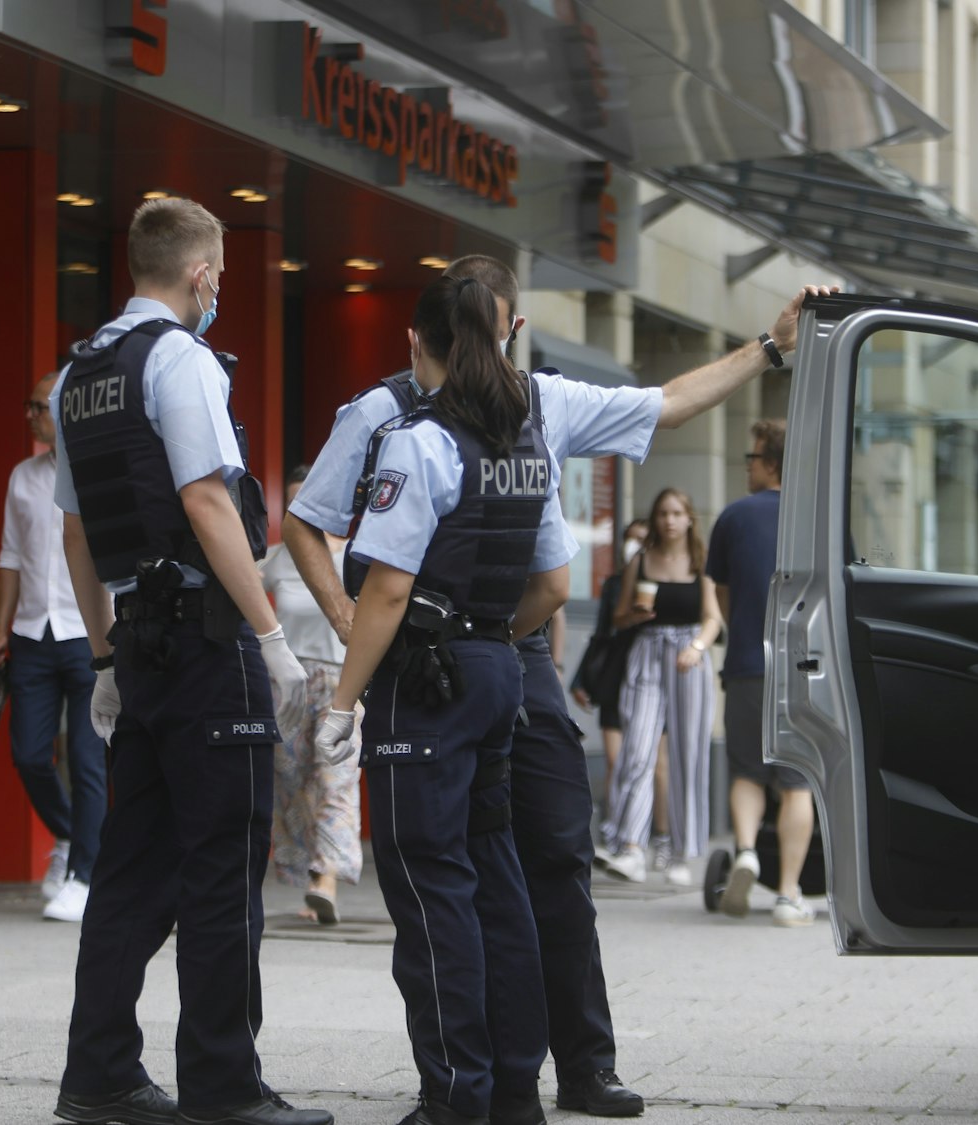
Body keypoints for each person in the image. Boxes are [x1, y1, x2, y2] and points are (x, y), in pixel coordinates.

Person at [286, 254, 838, 1115]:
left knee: (536, 862)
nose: (504, 343)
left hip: (496, 662)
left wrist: (768, 348)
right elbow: (312, 524)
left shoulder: (528, 406)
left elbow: (668, 405)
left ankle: (558, 1068)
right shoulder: (384, 414)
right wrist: (358, 626)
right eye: (496, 325)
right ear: (483, 327)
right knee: (484, 873)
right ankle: (506, 1085)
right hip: (472, 661)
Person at [47, 197, 330, 1125]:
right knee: (222, 864)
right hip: (209, 644)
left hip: (139, 641)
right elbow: (209, 501)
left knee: (131, 867)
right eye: (221, 276)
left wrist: (101, 658)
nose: (220, 290)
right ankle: (223, 1084)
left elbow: (79, 534)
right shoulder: (180, 359)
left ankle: (99, 1073)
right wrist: (272, 638)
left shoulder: (75, 376)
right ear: (201, 273)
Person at [313, 275, 560, 1125]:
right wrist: (486, 634)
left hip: (427, 683)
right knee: (496, 878)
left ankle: (455, 1093)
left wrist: (343, 701)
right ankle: (515, 1089)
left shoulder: (422, 440)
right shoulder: (529, 437)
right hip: (498, 667)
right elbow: (554, 583)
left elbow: (385, 590)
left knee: (428, 889)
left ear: (422, 343)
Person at [0, 372, 108, 923]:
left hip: (87, 634)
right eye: (28, 405)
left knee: (88, 760)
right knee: (29, 754)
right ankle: (66, 834)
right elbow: (11, 557)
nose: (30, 415)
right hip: (33, 634)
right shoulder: (22, 478)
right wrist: (0, 630)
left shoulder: (97, 475)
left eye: (38, 406)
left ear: (63, 413)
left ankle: (85, 876)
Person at [706, 419, 813, 926]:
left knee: (747, 770)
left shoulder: (732, 518)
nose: (746, 466)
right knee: (797, 781)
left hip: (747, 664)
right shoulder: (816, 520)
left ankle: (746, 851)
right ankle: (789, 894)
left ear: (770, 462)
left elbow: (722, 597)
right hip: (801, 669)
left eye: (751, 458)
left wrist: (747, 632)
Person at [601, 489, 720, 884]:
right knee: (637, 748)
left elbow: (713, 619)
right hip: (647, 651)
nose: (669, 520)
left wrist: (698, 647)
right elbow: (618, 619)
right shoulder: (640, 560)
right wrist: (635, 615)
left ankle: (683, 855)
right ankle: (631, 847)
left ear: (689, 519)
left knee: (688, 753)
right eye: (662, 513)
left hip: (689, 657)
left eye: (676, 513)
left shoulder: (702, 562)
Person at [261, 465, 361, 925]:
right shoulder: (276, 559)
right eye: (294, 501)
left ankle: (327, 880)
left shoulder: (356, 557)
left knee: (336, 778)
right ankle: (309, 874)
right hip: (287, 683)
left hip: (343, 679)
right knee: (291, 778)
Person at [571, 519, 649, 819]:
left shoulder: (660, 583)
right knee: (616, 761)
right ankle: (616, 823)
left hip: (647, 675)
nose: (634, 545)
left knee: (647, 762)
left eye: (641, 539)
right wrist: (580, 679)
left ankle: (647, 828)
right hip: (614, 677)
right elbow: (601, 633)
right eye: (630, 539)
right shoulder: (614, 585)